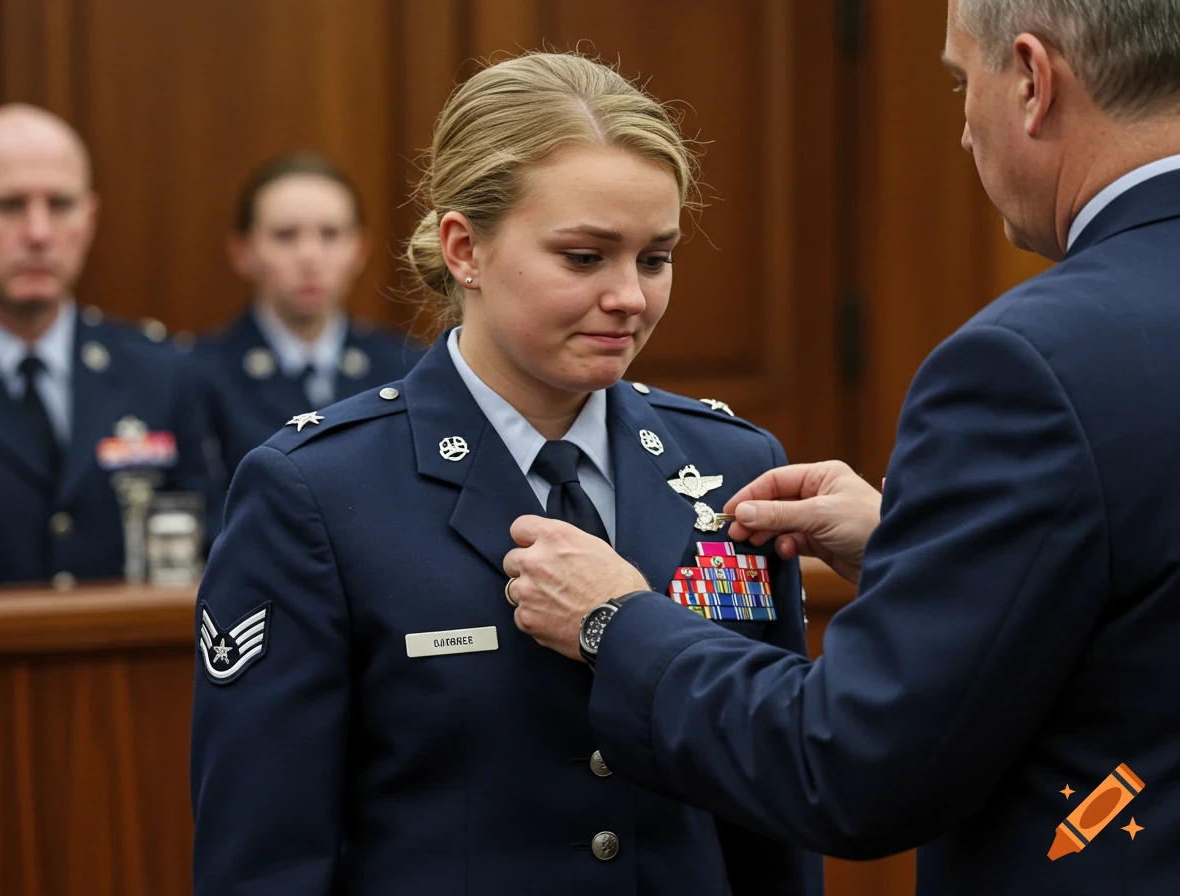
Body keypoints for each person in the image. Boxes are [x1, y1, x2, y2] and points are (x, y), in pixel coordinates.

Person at [504, 2, 1180, 893]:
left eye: (958, 82)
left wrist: (616, 624)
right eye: (585, 255)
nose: (964, 130)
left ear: (1030, 79)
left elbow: (853, 764)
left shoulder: (1031, 365)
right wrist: (924, 549)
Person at [191, 52, 820, 895]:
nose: (631, 296)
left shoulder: (731, 466)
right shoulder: (317, 492)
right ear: (465, 249)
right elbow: (267, 858)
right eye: (585, 257)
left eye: (656, 258)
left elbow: (769, 820)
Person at [0, 104, 219, 588]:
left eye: (61, 205)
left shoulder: (159, 373)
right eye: (8, 206)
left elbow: (212, 559)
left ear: (89, 220)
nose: (39, 234)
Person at [193, 154, 420, 486]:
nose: (309, 256)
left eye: (330, 234)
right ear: (242, 252)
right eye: (285, 235)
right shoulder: (201, 377)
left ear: (359, 250)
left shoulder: (406, 370)